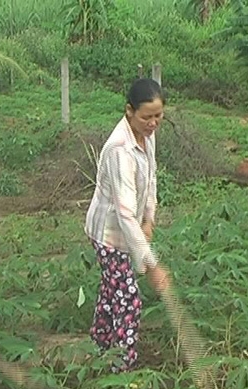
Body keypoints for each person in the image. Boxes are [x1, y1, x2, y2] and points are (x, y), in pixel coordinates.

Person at [84, 78, 170, 373]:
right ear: (129, 111)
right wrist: (151, 263)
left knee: (113, 290)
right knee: (129, 298)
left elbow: (152, 178)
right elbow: (122, 212)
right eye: (147, 117)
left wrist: (149, 218)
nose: (153, 123)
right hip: (109, 234)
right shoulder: (120, 149)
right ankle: (122, 368)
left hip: (129, 229)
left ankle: (100, 346)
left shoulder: (147, 135)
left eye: (158, 116)